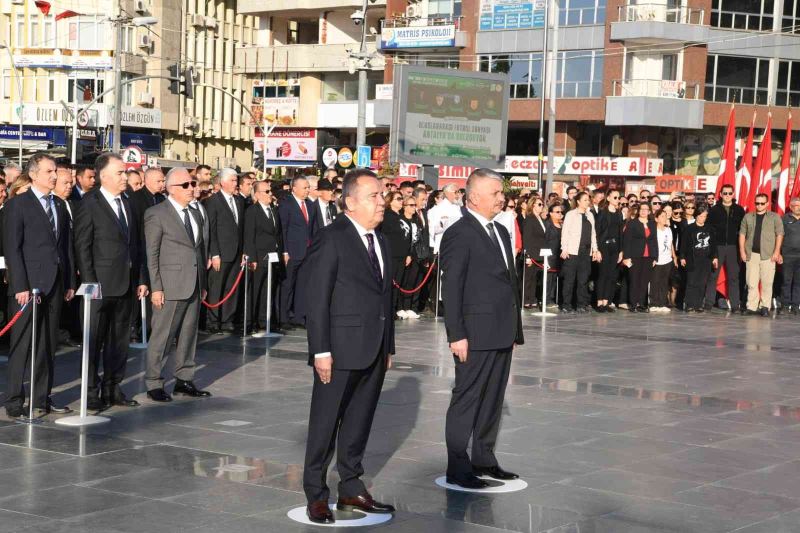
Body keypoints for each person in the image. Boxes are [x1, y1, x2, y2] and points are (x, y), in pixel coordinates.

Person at [301, 169, 395, 524]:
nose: (381, 201)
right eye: (374, 196)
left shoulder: (381, 239)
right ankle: (316, 493)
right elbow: (317, 298)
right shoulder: (332, 237)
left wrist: (389, 346)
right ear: (351, 202)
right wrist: (320, 350)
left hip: (373, 347)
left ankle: (352, 486)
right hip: (338, 350)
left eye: (382, 194)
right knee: (325, 423)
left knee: (359, 421)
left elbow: (384, 298)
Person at [441, 168, 524, 489]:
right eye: (495, 193)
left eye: (502, 193)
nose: (502, 198)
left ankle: (484, 459)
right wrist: (456, 334)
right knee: (467, 398)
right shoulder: (460, 233)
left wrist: (515, 330)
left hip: (501, 331)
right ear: (474, 197)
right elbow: (453, 288)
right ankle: (458, 466)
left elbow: (510, 286)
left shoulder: (501, 231)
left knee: (493, 399)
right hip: (473, 333)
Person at [3, 153, 76, 417]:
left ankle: (40, 397)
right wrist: (20, 285)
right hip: (28, 287)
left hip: (54, 285)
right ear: (33, 175)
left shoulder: (58, 205)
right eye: (49, 171)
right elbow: (13, 249)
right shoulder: (18, 205)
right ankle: (14, 400)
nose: (54, 176)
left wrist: (69, 281)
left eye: (55, 171)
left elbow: (65, 247)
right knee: (22, 345)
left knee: (47, 344)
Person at [74, 153, 148, 409]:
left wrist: (140, 277)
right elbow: (82, 246)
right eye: (119, 172)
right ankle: (91, 391)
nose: (124, 177)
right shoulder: (89, 203)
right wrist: (91, 282)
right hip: (100, 285)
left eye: (125, 172)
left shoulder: (127, 202)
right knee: (94, 340)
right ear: (103, 176)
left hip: (126, 283)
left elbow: (136, 245)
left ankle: (113, 388)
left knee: (119, 341)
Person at [143, 168, 210, 402]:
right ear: (171, 189)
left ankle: (184, 379)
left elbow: (199, 249)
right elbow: (152, 254)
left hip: (194, 282)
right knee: (163, 336)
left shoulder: (196, 213)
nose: (192, 188)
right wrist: (157, 287)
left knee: (189, 335)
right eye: (186, 185)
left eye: (193, 184)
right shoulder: (156, 213)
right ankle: (154, 382)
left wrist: (203, 282)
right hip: (170, 285)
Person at [205, 168, 246, 333]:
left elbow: (241, 228)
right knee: (217, 287)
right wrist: (214, 253)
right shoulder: (213, 201)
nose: (236, 184)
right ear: (222, 182)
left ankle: (227, 319)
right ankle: (213, 321)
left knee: (231, 287)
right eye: (233, 181)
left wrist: (243, 251)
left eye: (236, 181)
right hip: (221, 253)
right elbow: (211, 230)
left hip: (236, 252)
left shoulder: (238, 201)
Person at [244, 181, 283, 331]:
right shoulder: (252, 211)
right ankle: (251, 322)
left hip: (272, 257)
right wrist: (252, 258)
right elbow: (249, 236)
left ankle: (264, 321)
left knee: (268, 290)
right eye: (266, 192)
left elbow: (278, 234)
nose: (270, 194)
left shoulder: (273, 210)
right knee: (256, 290)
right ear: (258, 194)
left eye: (270, 191)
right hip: (259, 257)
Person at [278, 176, 316, 328]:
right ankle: (284, 317)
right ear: (294, 188)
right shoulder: (286, 204)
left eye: (308, 187)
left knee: (303, 285)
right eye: (305, 187)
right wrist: (285, 251)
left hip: (306, 252)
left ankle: (299, 316)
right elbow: (283, 229)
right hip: (292, 251)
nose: (308, 190)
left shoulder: (310, 205)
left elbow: (313, 229)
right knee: (287, 285)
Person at [739, 193, 784, 316]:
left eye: (762, 203)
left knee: (767, 282)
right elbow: (742, 234)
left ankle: (765, 306)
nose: (759, 205)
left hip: (768, 255)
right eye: (757, 203)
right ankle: (752, 307)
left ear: (767, 204)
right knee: (751, 282)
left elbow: (779, 234)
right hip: (751, 254)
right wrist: (742, 251)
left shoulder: (775, 217)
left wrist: (777, 251)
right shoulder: (748, 217)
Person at [560, 191, 600, 313]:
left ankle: (581, 304)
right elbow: (565, 232)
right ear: (578, 201)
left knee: (583, 280)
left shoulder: (590, 215)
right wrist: (564, 248)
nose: (588, 202)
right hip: (572, 251)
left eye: (588, 200)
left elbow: (593, 234)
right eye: (585, 200)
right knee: (569, 280)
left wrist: (595, 249)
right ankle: (566, 304)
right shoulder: (570, 214)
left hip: (586, 252)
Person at [706, 184, 745, 311]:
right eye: (725, 193)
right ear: (721, 194)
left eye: (729, 193)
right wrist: (713, 250)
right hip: (718, 246)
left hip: (733, 247)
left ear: (733, 194)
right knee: (713, 276)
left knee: (734, 276)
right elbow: (709, 231)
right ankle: (709, 303)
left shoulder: (739, 210)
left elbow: (743, 230)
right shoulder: (714, 210)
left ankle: (735, 305)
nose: (727, 196)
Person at [680, 207, 718, 313]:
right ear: (696, 216)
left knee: (702, 282)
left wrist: (715, 257)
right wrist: (682, 257)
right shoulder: (689, 229)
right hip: (692, 259)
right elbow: (683, 244)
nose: (702, 218)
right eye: (700, 216)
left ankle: (698, 305)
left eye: (704, 216)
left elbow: (713, 245)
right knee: (692, 282)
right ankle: (689, 304)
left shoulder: (710, 229)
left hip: (706, 259)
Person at [622, 203, 657, 313]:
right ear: (638, 211)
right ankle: (633, 304)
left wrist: (655, 257)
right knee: (634, 280)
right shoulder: (632, 223)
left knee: (644, 281)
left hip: (649, 256)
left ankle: (641, 304)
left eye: (646, 209)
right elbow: (627, 241)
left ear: (649, 212)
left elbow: (654, 241)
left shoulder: (652, 224)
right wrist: (626, 257)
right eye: (642, 209)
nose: (643, 211)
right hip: (635, 256)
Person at [381, 192, 411, 318]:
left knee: (398, 284)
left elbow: (407, 237)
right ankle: (388, 310)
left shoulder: (401, 216)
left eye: (401, 198)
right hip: (391, 255)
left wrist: (408, 254)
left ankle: (394, 309)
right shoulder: (387, 216)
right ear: (390, 201)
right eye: (398, 199)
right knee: (390, 284)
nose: (401, 201)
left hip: (402, 256)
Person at [595, 190, 623, 312]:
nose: (617, 200)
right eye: (615, 197)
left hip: (615, 247)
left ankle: (606, 302)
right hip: (604, 246)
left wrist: (621, 251)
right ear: (609, 198)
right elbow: (597, 232)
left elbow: (620, 233)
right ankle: (599, 302)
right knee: (603, 274)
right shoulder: (602, 213)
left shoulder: (619, 214)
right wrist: (597, 249)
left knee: (611, 275)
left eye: (619, 197)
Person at [398, 195, 422, 319]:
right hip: (404, 255)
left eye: (415, 205)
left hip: (416, 255)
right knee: (403, 281)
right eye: (411, 205)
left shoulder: (416, 220)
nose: (414, 208)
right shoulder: (400, 220)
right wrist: (407, 254)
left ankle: (410, 307)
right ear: (404, 206)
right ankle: (400, 307)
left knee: (414, 281)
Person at [522, 197, 547, 308]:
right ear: (533, 206)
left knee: (534, 279)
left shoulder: (541, 219)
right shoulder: (529, 219)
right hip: (532, 253)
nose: (542, 206)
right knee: (528, 278)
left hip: (540, 253)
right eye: (539, 204)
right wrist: (527, 255)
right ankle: (525, 299)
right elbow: (527, 238)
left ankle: (532, 298)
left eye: (542, 204)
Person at [650, 208, 677, 313]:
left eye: (665, 216)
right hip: (657, 260)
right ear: (656, 219)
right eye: (662, 216)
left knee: (664, 282)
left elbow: (671, 244)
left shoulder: (668, 229)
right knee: (655, 282)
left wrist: (674, 257)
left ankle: (662, 303)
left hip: (667, 259)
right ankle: (653, 303)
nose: (664, 218)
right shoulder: (654, 230)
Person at [782, 198, 800, 314]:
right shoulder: (784, 219)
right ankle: (784, 305)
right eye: (797, 205)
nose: (798, 207)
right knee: (786, 281)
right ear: (791, 206)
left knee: (798, 282)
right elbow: (779, 236)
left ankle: (795, 305)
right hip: (788, 255)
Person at [544, 203, 564, 307]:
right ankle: (547, 299)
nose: (560, 214)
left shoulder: (562, 224)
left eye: (561, 212)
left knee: (555, 277)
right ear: (551, 213)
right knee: (549, 278)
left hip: (559, 255)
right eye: (557, 212)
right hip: (550, 254)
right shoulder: (547, 224)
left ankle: (553, 298)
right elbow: (544, 240)